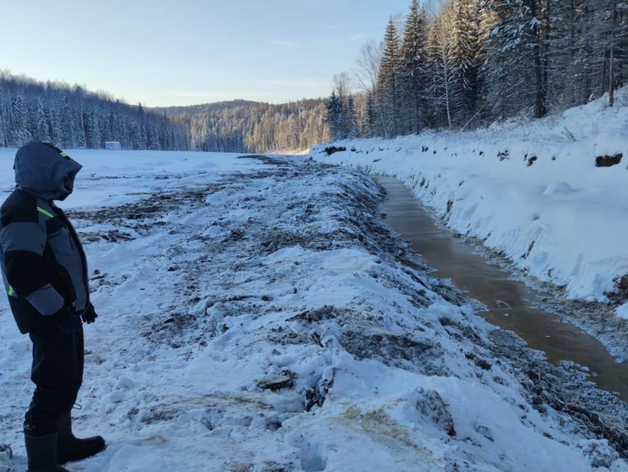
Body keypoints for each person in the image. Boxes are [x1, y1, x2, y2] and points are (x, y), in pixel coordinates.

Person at [0, 143, 106, 471]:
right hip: (47, 316)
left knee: (67, 379)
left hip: (62, 312)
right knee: (52, 385)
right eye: (64, 176)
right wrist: (55, 311)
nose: (69, 184)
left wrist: (78, 304)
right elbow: (22, 270)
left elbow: (58, 262)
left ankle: (63, 444)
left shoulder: (40, 204)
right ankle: (43, 464)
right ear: (42, 173)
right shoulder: (23, 209)